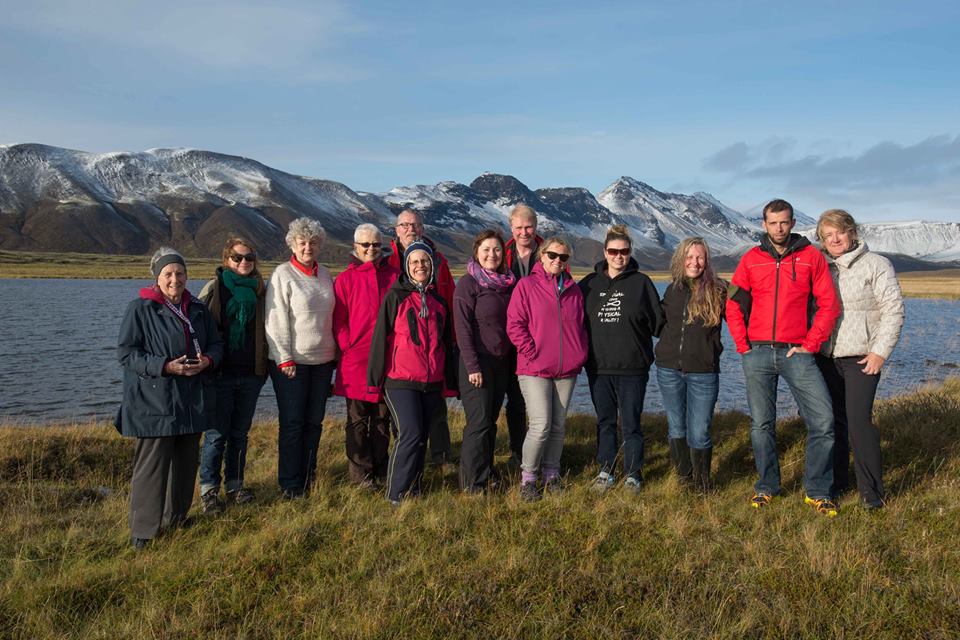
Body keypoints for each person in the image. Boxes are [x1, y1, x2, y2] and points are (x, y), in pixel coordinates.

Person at [726, 199, 841, 516]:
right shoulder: (751, 260)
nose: (779, 228)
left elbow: (828, 305)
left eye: (785, 222)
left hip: (797, 353)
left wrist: (811, 343)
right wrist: (743, 346)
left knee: (823, 421)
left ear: (792, 223)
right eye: (773, 222)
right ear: (764, 224)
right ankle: (767, 486)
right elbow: (733, 303)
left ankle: (817, 491)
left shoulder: (811, 257)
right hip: (757, 353)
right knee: (761, 426)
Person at [117, 248, 223, 549]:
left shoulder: (198, 309)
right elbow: (126, 354)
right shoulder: (141, 309)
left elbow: (216, 344)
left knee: (186, 464)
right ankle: (144, 532)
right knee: (152, 467)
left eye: (179, 273)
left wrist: (209, 361)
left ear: (187, 276)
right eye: (168, 274)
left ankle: (177, 518)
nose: (174, 279)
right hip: (156, 401)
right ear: (157, 278)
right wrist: (164, 366)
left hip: (192, 399)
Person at [815, 209, 904, 509]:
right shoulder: (822, 268)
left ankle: (872, 493)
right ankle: (838, 484)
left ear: (852, 232)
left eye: (839, 231)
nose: (835, 239)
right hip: (826, 357)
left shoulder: (876, 264)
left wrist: (880, 352)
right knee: (833, 422)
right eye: (827, 235)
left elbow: (893, 310)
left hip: (861, 358)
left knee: (858, 423)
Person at [368, 241, 456, 505]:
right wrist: (375, 380)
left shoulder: (439, 302)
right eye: (415, 262)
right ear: (407, 266)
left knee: (422, 437)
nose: (421, 266)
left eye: (425, 262)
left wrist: (449, 381)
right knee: (410, 433)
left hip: (431, 381)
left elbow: (445, 343)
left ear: (432, 266)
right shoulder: (396, 296)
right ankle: (395, 494)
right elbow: (380, 337)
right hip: (400, 380)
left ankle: (413, 489)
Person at [579, 225, 662, 494]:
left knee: (631, 423)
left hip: (633, 368)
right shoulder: (588, 285)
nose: (618, 256)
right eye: (613, 251)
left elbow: (659, 324)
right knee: (604, 422)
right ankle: (606, 470)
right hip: (598, 367)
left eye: (624, 252)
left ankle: (633, 474)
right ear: (605, 252)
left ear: (630, 253)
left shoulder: (642, 284)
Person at [506, 236, 588, 502]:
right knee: (540, 425)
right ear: (541, 256)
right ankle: (528, 478)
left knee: (558, 426)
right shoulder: (526, 286)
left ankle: (552, 475)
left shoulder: (574, 290)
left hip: (566, 369)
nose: (557, 261)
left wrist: (579, 353)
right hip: (533, 368)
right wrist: (532, 353)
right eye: (552, 255)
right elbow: (514, 325)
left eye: (563, 257)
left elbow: (580, 327)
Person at [265, 217, 337, 499]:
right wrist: (284, 358)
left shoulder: (326, 274)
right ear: (292, 244)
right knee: (293, 423)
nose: (308, 247)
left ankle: (309, 478)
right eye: (302, 242)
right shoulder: (282, 274)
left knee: (314, 422)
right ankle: (290, 483)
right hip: (291, 363)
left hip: (322, 361)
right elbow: (275, 319)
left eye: (313, 242)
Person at [197, 236, 268, 513]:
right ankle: (209, 490)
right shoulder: (214, 289)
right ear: (226, 259)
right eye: (237, 258)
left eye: (248, 258)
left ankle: (235, 486)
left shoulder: (262, 289)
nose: (243, 263)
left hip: (251, 374)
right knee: (216, 434)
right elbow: (198, 329)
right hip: (220, 374)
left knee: (240, 434)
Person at [386, 208, 457, 469]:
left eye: (415, 225)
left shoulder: (439, 262)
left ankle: (440, 457)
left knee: (436, 408)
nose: (410, 229)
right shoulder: (388, 263)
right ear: (396, 230)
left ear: (422, 229)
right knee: (403, 419)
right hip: (400, 353)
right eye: (404, 225)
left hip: (434, 350)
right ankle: (407, 464)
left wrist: (452, 340)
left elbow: (449, 299)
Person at [655, 237, 726, 492]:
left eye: (699, 257)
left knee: (700, 429)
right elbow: (657, 322)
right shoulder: (672, 289)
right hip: (668, 369)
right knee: (676, 425)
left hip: (704, 372)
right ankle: (683, 479)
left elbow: (745, 315)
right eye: (689, 257)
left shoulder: (719, 290)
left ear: (706, 261)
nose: (694, 262)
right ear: (680, 259)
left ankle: (702, 483)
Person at [333, 223, 399, 489]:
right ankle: (361, 474)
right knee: (357, 420)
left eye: (376, 244)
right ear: (355, 247)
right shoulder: (345, 279)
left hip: (387, 360)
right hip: (356, 361)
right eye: (365, 245)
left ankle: (381, 470)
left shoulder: (394, 276)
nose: (371, 249)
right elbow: (339, 321)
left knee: (382, 418)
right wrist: (349, 345)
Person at [454, 230, 516, 494]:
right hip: (476, 363)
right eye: (487, 249)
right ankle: (471, 484)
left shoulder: (508, 282)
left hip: (501, 363)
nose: (492, 254)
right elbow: (463, 330)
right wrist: (472, 366)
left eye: (497, 250)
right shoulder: (468, 284)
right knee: (478, 423)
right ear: (477, 252)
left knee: (490, 421)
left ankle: (487, 472)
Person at [502, 204, 544, 466]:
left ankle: (541, 452)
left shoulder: (548, 252)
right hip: (508, 337)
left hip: (539, 337)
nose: (523, 232)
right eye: (518, 227)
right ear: (511, 227)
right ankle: (518, 451)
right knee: (515, 399)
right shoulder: (502, 253)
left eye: (528, 227)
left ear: (536, 226)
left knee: (540, 402)